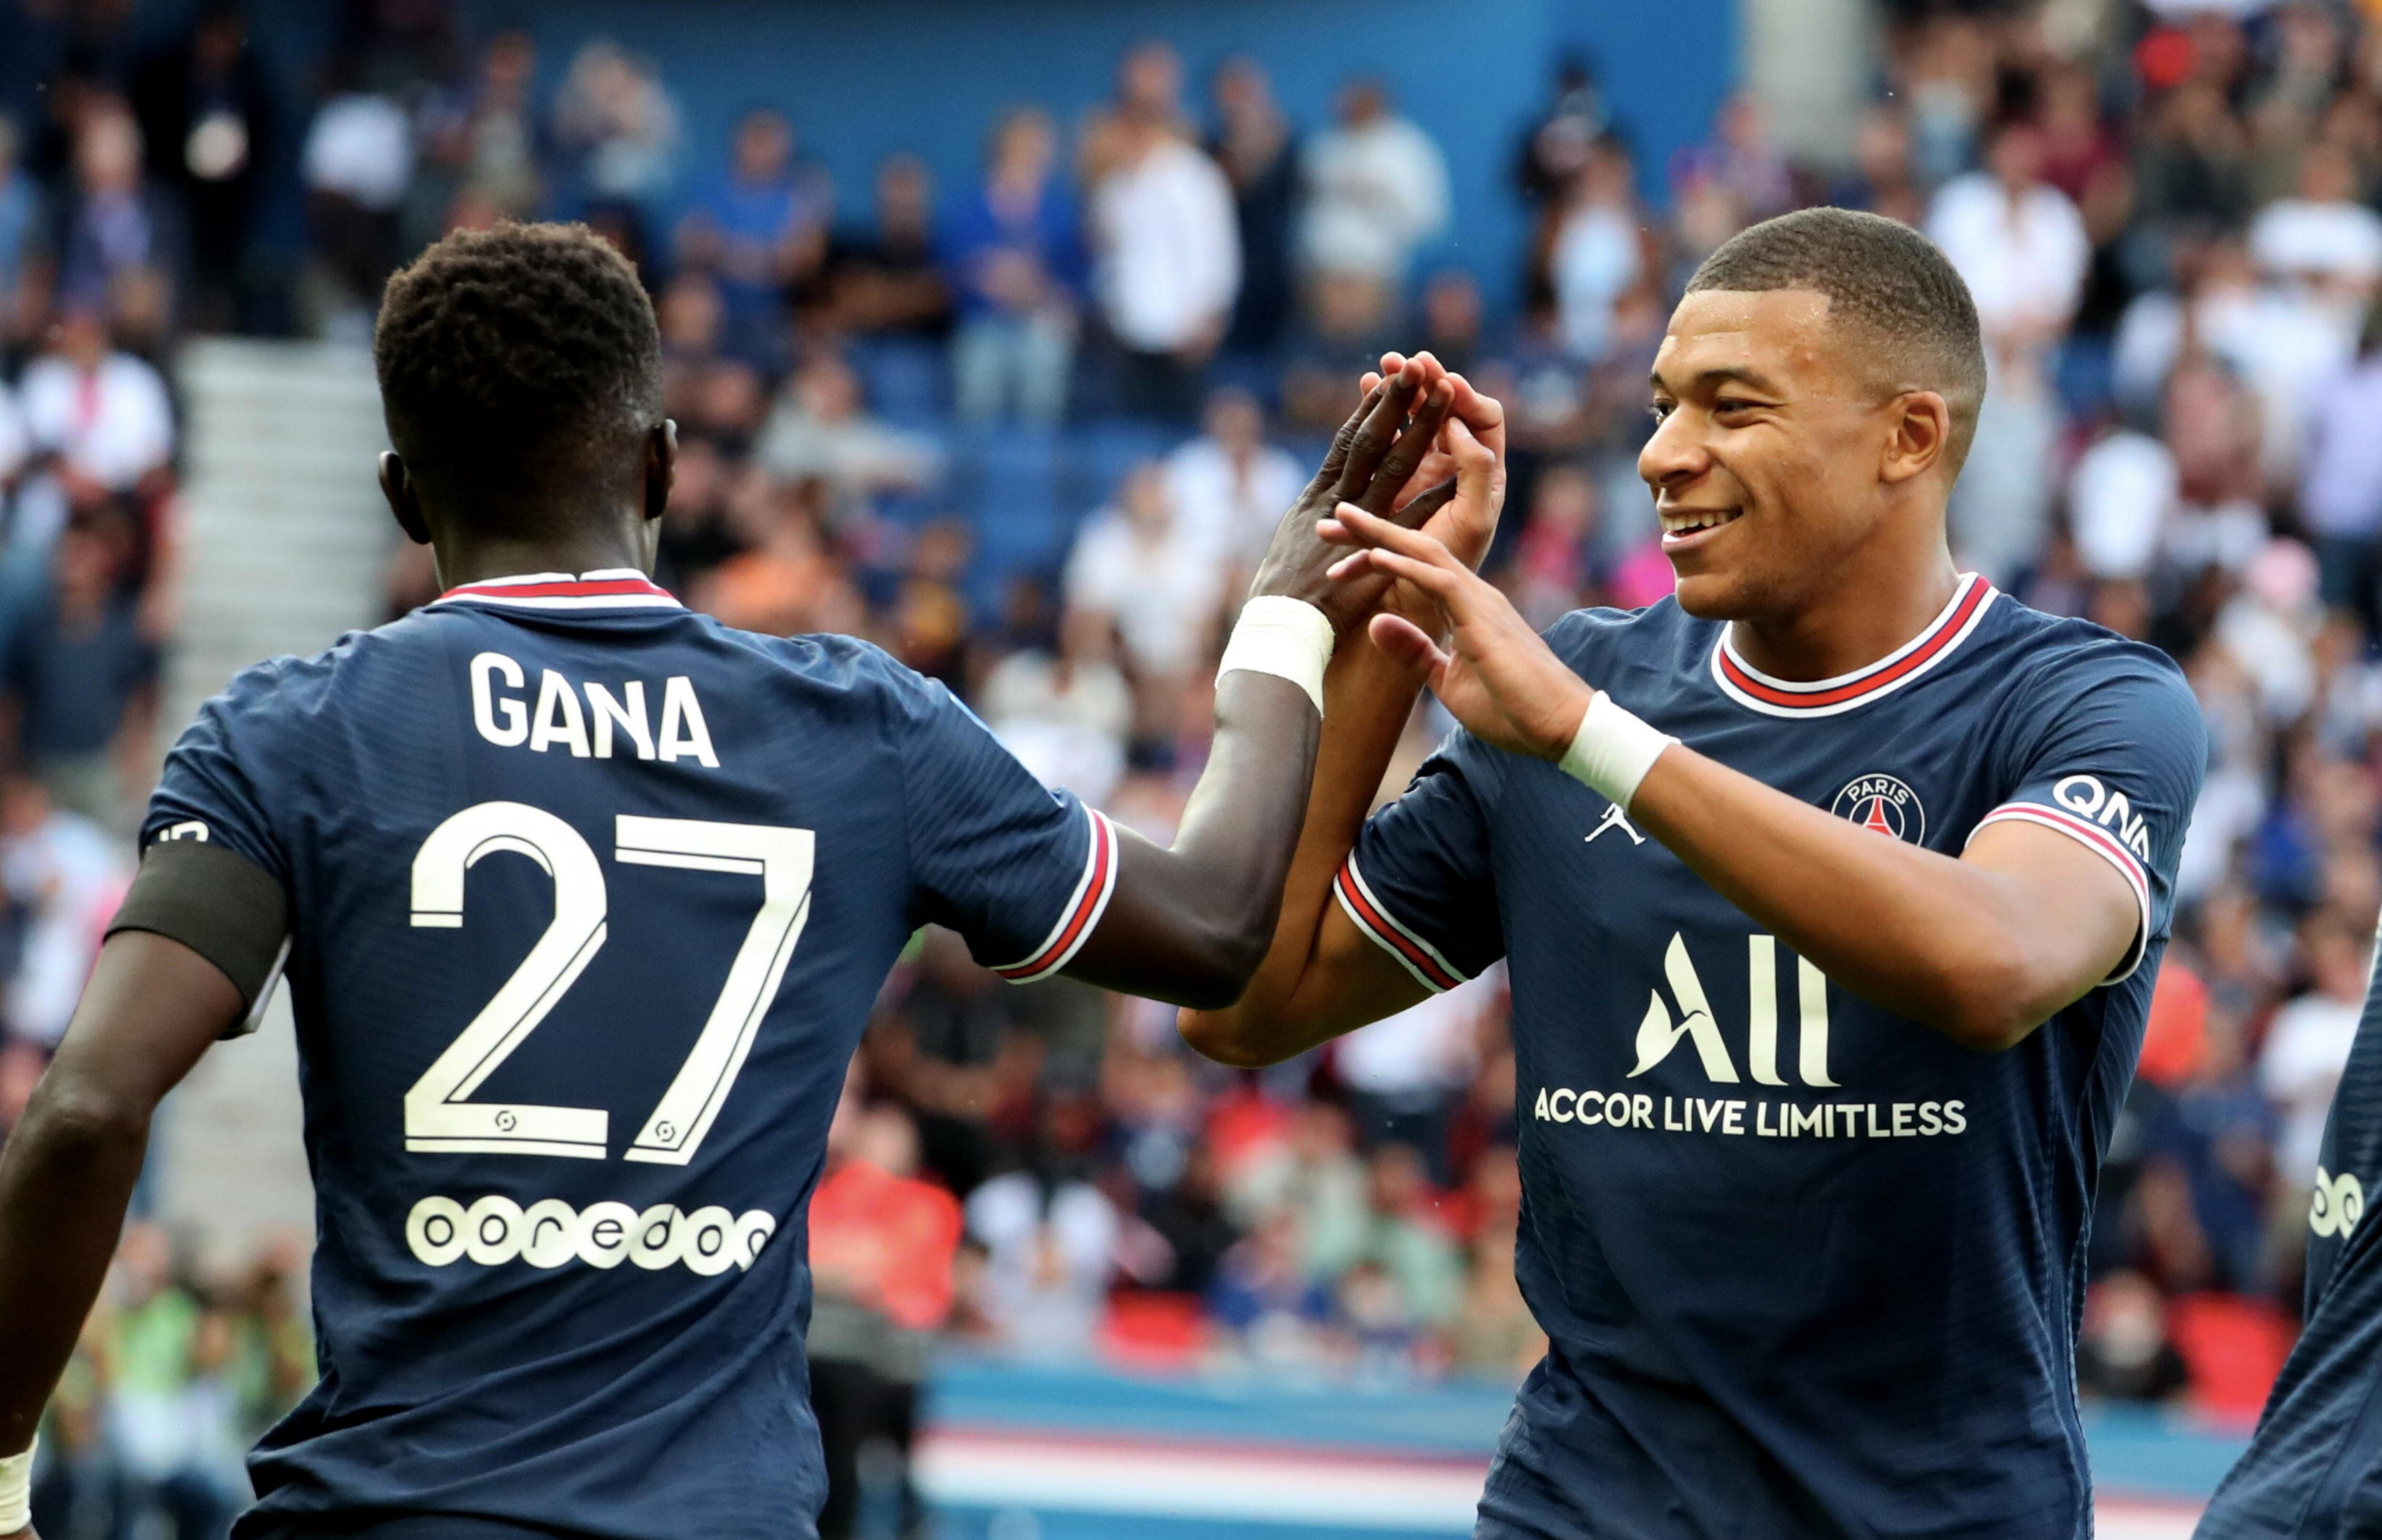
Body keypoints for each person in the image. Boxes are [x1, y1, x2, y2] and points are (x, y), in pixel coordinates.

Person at [0, 220, 1487, 1539]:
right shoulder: (863, 731)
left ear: (403, 494)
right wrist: (1287, 609)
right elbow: (1224, 927)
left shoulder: (290, 732)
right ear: (657, 465)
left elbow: (83, 1109)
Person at [1184, 208, 2207, 1537]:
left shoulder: (2085, 703)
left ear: (1909, 437)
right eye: (1666, 405)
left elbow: (1994, 961)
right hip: (1588, 1506)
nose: (1666, 454)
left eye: (1735, 408)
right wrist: (1401, 604)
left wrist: (1591, 742)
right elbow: (1247, 1008)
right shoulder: (1584, 687)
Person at [2199, 913, 2382, 1534]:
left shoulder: (2364, 1012)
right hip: (2306, 1175)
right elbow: (2275, 1091)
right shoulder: (2301, 1021)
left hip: (2364, 1179)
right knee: (2293, 1281)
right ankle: (2286, 1385)